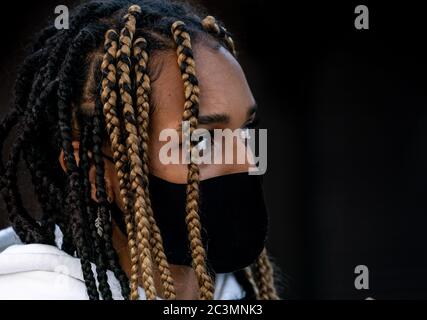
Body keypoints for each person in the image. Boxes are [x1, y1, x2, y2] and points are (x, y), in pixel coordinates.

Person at [0, 0, 278, 300]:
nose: (248, 161)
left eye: (246, 129)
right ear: (96, 174)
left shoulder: (231, 292)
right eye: (202, 141)